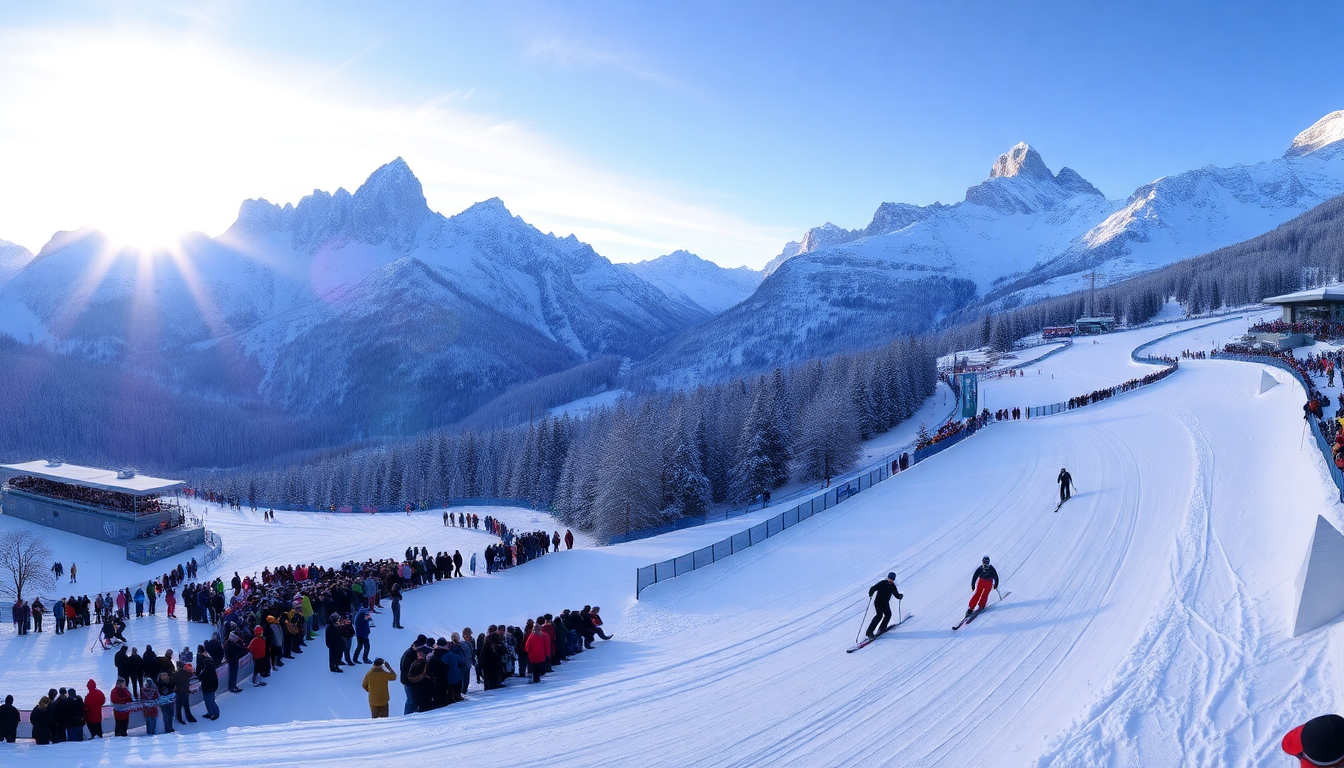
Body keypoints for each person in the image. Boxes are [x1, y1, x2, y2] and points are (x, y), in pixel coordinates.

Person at [865, 573, 904, 638]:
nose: (890, 581)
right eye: (890, 579)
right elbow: (873, 588)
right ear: (887, 578)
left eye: (892, 580)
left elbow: (896, 594)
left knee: (888, 614)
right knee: (879, 616)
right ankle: (869, 632)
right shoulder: (883, 583)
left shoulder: (892, 586)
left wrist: (900, 596)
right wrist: (871, 592)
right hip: (878, 603)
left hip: (885, 603)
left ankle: (882, 628)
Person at [196, 651, 221, 720]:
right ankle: (214, 713)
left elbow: (200, 677)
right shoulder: (213, 669)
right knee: (212, 701)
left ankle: (212, 714)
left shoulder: (206, 670)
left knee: (208, 701)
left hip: (207, 688)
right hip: (213, 687)